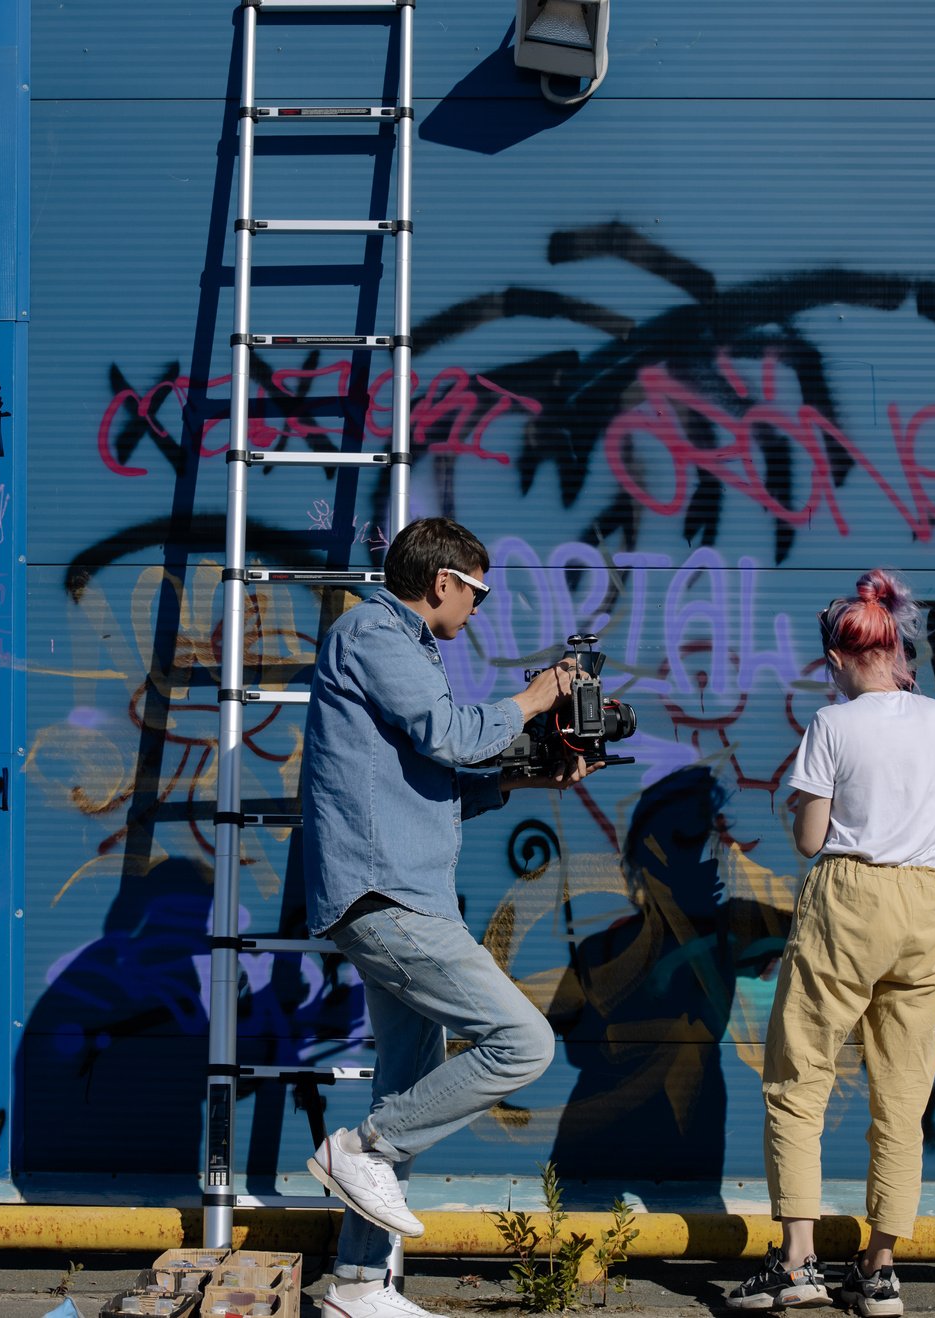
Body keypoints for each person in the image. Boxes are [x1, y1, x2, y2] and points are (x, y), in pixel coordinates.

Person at [299, 516, 597, 1318]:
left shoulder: (405, 648)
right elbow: (448, 733)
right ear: (444, 582)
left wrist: (538, 775)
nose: (477, 607)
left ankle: (357, 1287)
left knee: (406, 1081)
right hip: (385, 893)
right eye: (479, 590)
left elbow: (435, 776)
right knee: (521, 1043)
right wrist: (536, 699)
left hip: (404, 889)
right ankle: (360, 1149)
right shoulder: (371, 632)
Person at [730, 569, 935, 1317]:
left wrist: (808, 802)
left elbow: (811, 837)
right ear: (897, 646)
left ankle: (797, 1264)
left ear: (838, 656)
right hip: (924, 904)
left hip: (847, 900)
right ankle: (879, 1270)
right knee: (901, 1093)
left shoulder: (830, 725)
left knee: (799, 1083)